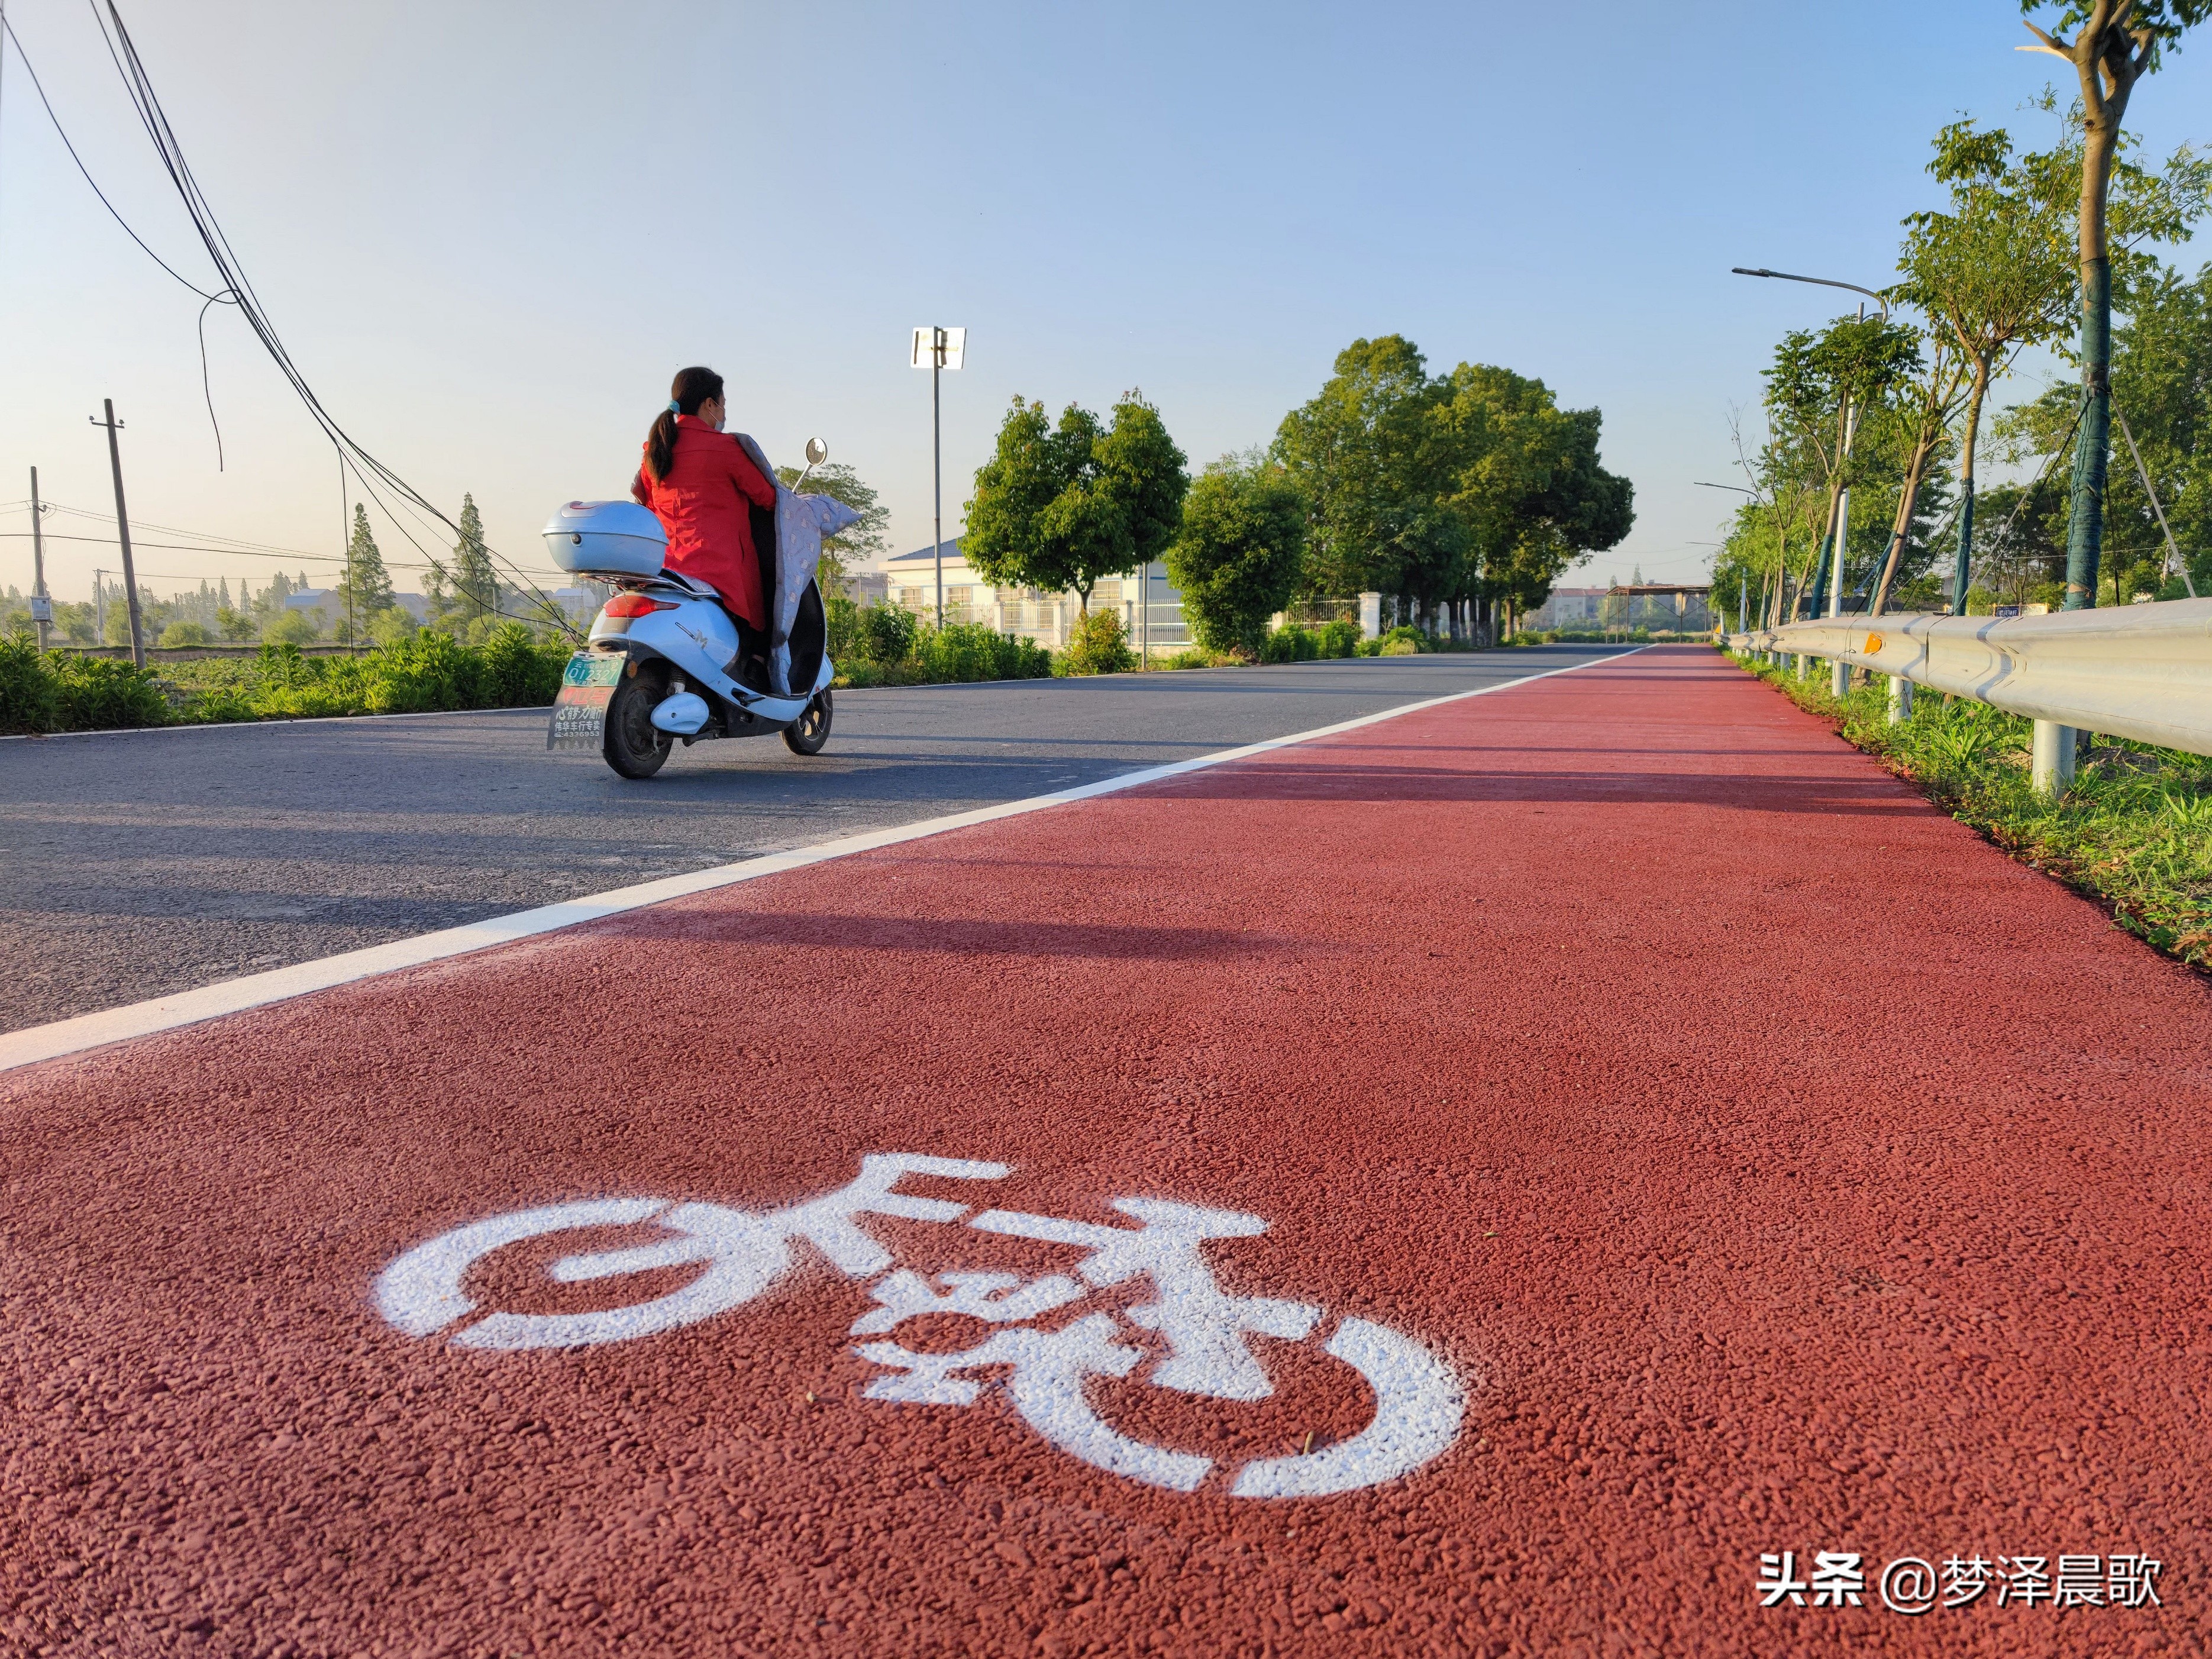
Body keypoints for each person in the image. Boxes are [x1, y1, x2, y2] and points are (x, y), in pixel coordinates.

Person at [630, 366, 777, 632]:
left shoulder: (655, 451)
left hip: (666, 576)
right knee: (756, 643)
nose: (724, 414)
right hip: (723, 581)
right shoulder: (725, 448)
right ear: (709, 404)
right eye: (723, 405)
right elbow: (768, 498)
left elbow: (649, 506)